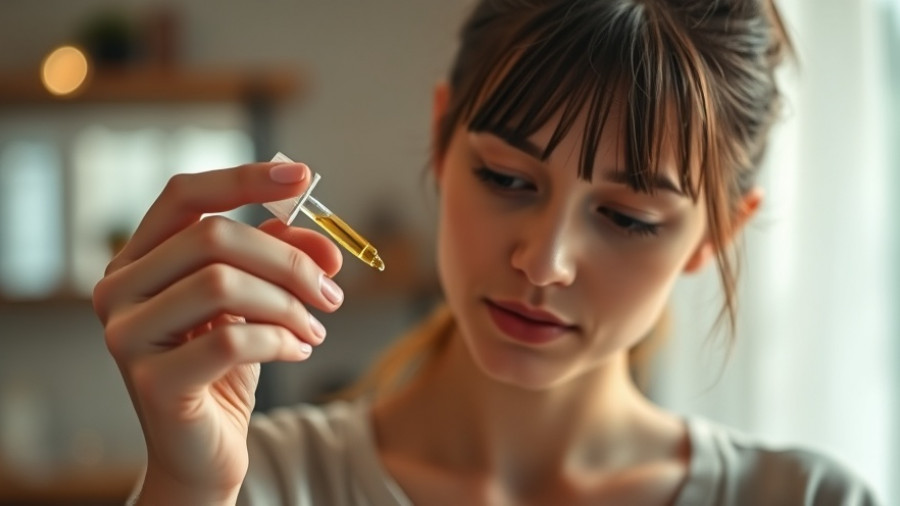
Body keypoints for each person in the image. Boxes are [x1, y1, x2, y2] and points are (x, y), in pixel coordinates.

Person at [92, 0, 880, 504]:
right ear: (441, 135)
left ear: (717, 236)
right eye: (506, 177)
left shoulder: (810, 498)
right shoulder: (255, 483)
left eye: (630, 218)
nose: (543, 263)